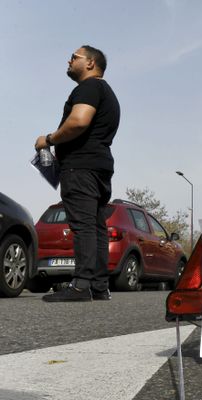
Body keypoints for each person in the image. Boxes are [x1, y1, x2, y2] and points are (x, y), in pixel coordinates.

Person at [34, 45, 120, 301]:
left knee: (83, 225)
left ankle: (81, 286)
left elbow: (79, 121)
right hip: (99, 166)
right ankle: (99, 286)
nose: (69, 60)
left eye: (75, 57)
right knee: (96, 226)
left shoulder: (89, 87)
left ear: (91, 63)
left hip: (81, 166)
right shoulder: (107, 92)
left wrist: (48, 139)